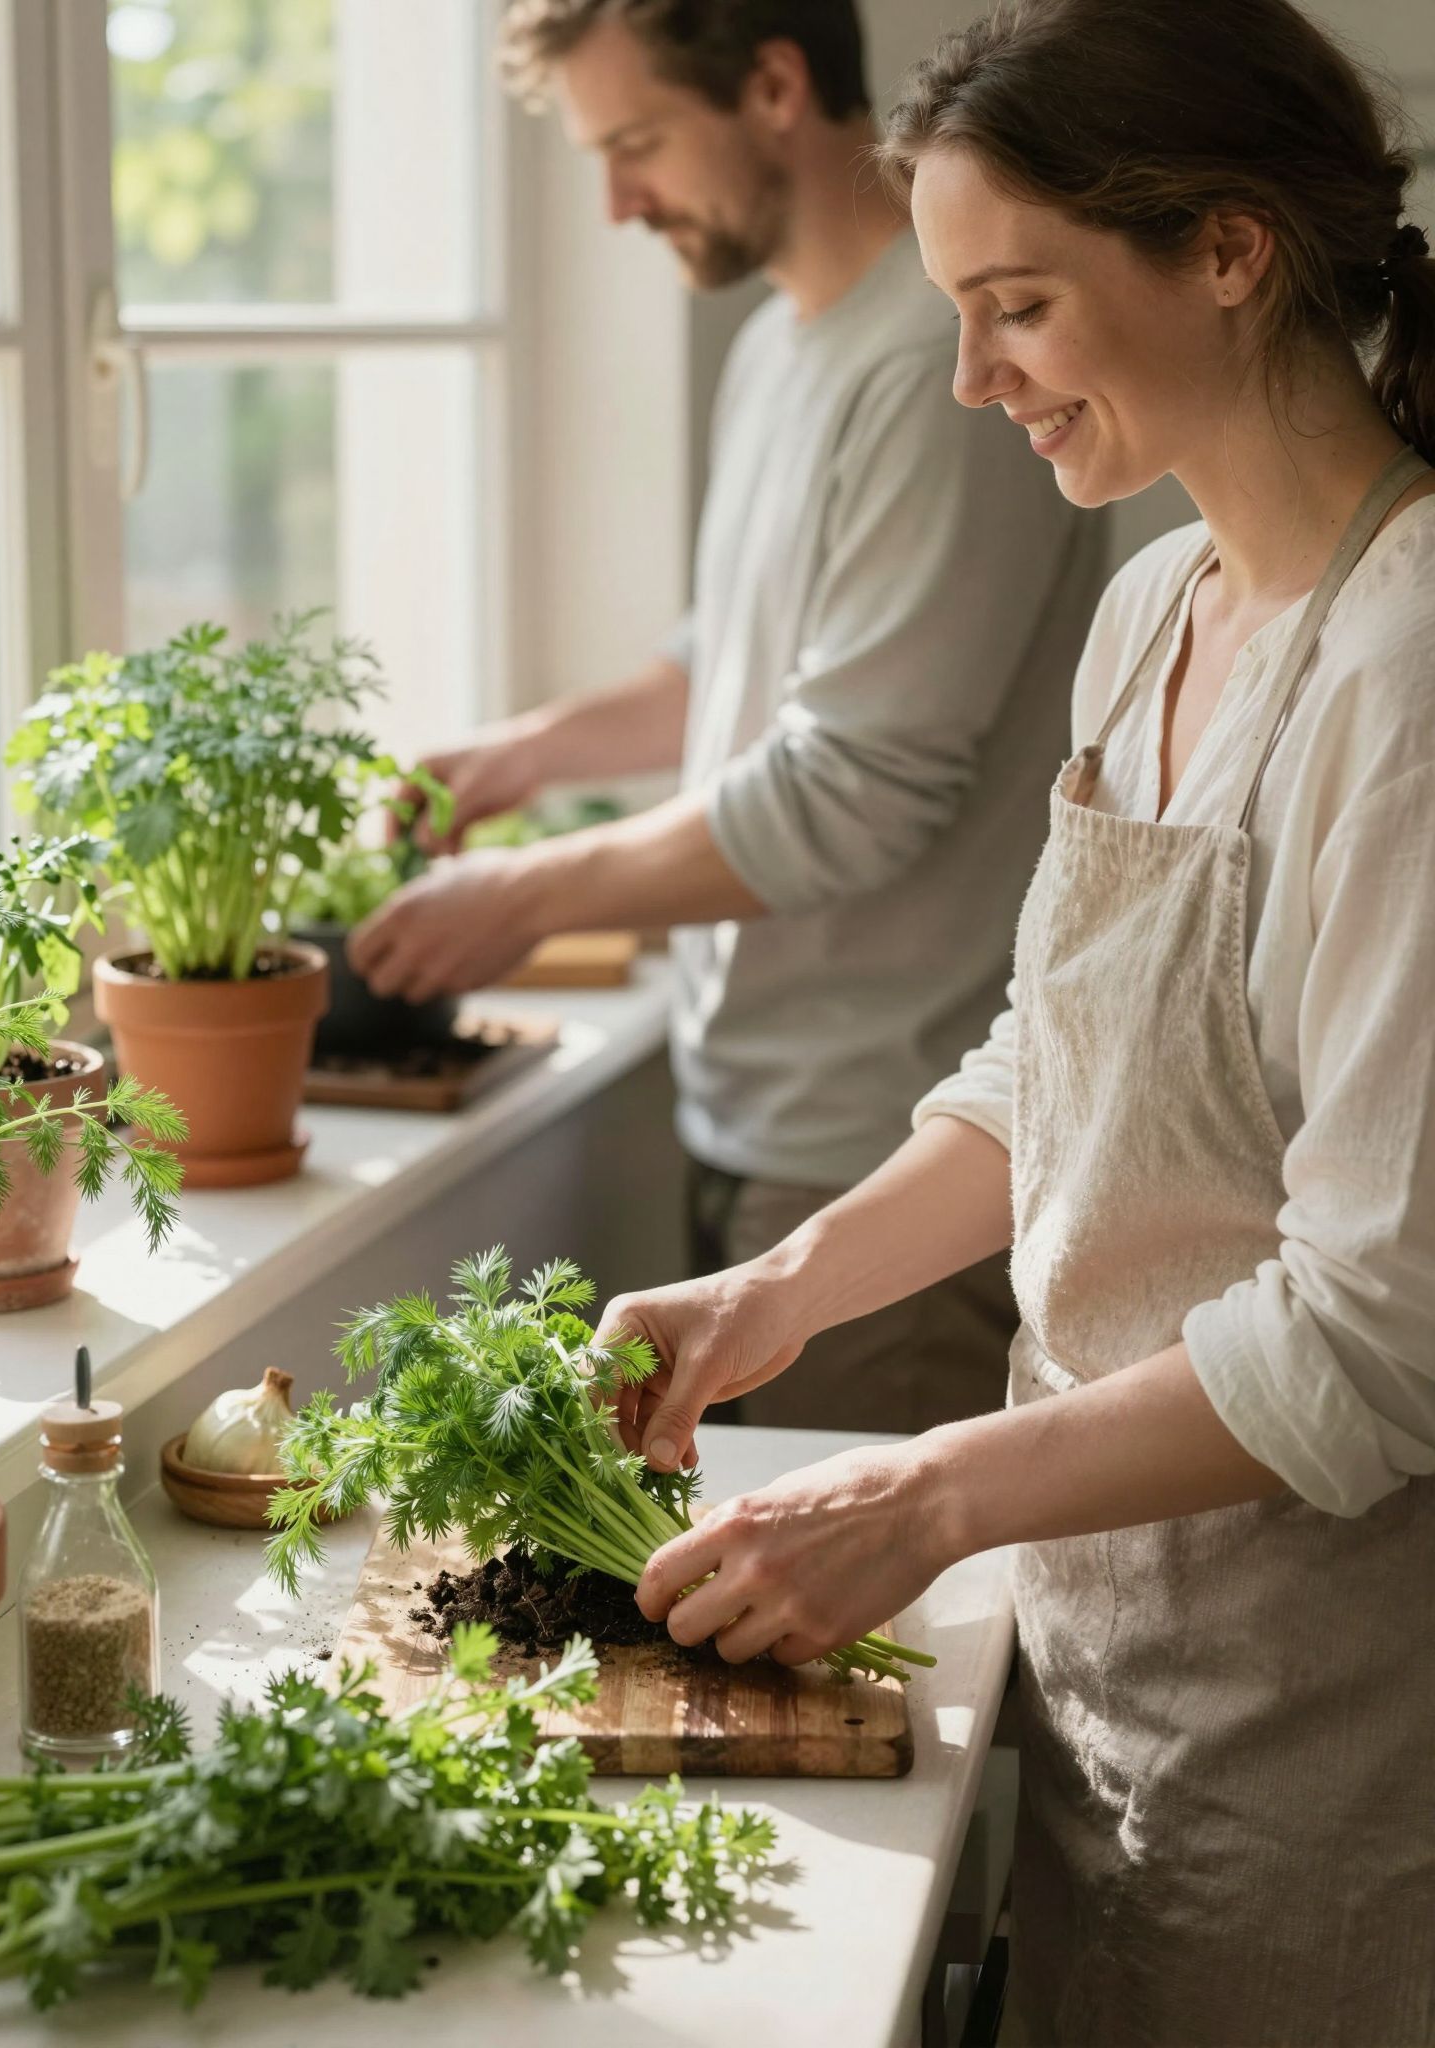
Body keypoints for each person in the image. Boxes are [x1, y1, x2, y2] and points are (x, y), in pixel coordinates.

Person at [593, 1, 1435, 2042]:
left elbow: (1380, 1329)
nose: (973, 378)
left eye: (1021, 304)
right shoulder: (1157, 603)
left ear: (1232, 252)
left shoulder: (1406, 676)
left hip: (1325, 1729)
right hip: (1104, 1655)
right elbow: (1052, 1069)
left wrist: (930, 1490)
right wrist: (784, 1283)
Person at [349, 0, 1107, 1435]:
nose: (618, 202)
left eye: (635, 143)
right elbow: (733, 665)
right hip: (765, 1125)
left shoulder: (931, 372)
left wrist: (531, 889)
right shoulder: (782, 348)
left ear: (773, 86)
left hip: (886, 1159)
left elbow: (856, 782)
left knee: (863, 1645)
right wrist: (524, 758)